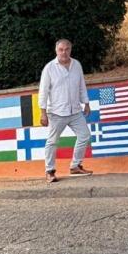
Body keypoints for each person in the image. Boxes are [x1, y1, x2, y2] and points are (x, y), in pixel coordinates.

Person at [39, 38, 92, 183]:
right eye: (61, 49)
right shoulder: (49, 68)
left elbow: (81, 85)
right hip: (56, 112)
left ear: (70, 49)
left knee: (85, 135)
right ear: (56, 51)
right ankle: (49, 171)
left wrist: (86, 103)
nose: (64, 52)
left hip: (75, 111)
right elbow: (43, 91)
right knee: (52, 141)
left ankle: (75, 166)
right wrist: (43, 113)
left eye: (67, 49)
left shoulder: (77, 65)